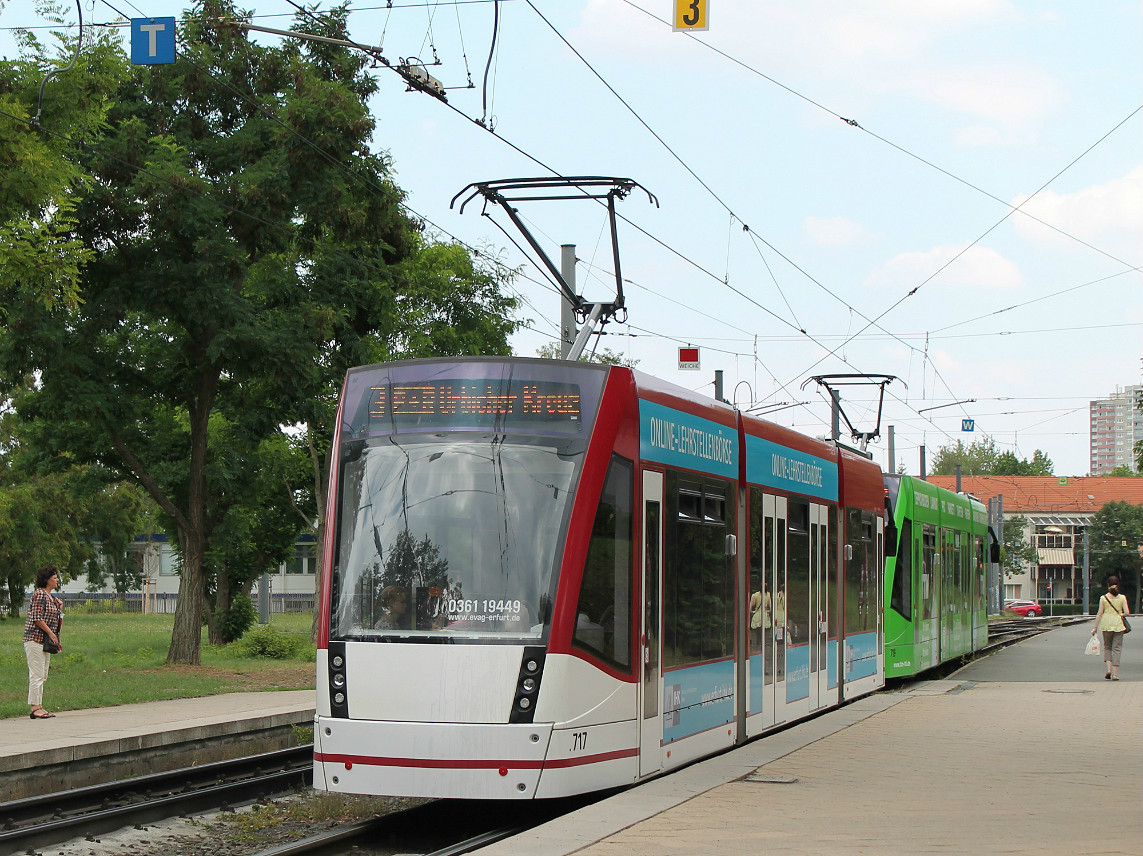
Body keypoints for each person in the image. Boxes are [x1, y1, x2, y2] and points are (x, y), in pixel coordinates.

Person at [23, 565, 64, 719]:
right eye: (54, 578)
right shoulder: (40, 594)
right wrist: (51, 633)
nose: (57, 580)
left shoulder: (49, 597)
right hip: (35, 639)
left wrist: (57, 604)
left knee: (43, 674)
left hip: (45, 641)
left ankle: (39, 705)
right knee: (37, 674)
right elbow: (37, 618)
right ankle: (35, 707)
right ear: (47, 580)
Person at [1091, 576, 1130, 681]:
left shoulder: (1103, 598)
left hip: (1106, 625)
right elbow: (1127, 612)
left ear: (1108, 585)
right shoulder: (1122, 598)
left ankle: (1108, 670)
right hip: (1118, 625)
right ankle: (1115, 674)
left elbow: (1099, 613)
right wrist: (1120, 614)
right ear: (1118, 585)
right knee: (1116, 649)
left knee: (1107, 647)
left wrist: (1095, 627)